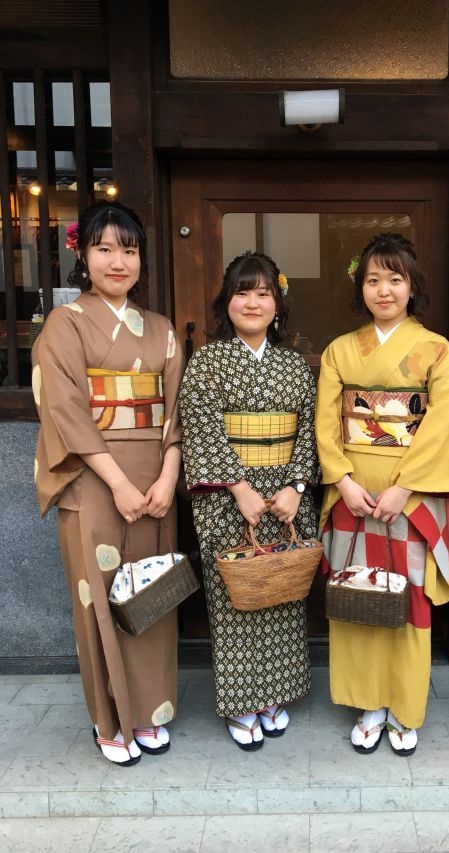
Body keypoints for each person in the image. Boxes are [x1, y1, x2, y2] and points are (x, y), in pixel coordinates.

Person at [32, 201, 184, 766]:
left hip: (155, 477)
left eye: (129, 250)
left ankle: (149, 711)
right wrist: (118, 483)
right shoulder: (65, 323)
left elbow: (177, 411)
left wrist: (169, 475)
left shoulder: (162, 330)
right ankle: (111, 720)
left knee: (153, 593)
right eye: (104, 249)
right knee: (100, 596)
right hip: (93, 477)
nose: (118, 261)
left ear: (141, 259)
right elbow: (65, 410)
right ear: (83, 255)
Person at [316, 233, 449, 756]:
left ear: (412, 286)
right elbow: (327, 423)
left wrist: (405, 486)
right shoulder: (339, 350)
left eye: (395, 279)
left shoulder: (436, 349)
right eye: (373, 279)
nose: (384, 290)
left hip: (411, 495)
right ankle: (368, 703)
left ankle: (403, 706)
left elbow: (443, 423)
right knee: (356, 594)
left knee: (407, 600)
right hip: (353, 492)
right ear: (360, 287)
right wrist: (342, 480)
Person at [179, 252, 318, 750]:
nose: (253, 302)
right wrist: (239, 488)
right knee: (234, 597)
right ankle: (241, 703)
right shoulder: (207, 362)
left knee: (281, 591)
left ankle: (275, 694)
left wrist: (296, 487)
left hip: (285, 495)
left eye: (264, 293)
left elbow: (310, 430)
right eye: (243, 292)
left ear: (278, 303)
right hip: (226, 497)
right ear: (226, 301)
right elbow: (201, 427)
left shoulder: (294, 365)